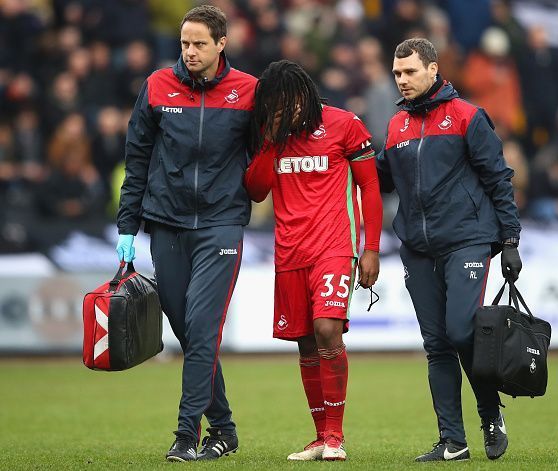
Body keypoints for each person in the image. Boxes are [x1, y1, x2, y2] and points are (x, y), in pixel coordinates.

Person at [115, 5, 257, 462]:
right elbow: (136, 159)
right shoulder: (157, 86)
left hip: (222, 223)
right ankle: (225, 429)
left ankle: (184, 435)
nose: (190, 52)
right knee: (186, 330)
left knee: (200, 327)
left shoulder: (248, 91)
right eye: (184, 44)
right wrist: (127, 228)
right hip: (167, 222)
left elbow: (265, 159)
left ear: (221, 44)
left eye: (199, 44)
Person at [376, 38, 522, 462]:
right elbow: (383, 179)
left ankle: (490, 413)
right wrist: (350, 154)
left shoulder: (468, 117)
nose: (402, 80)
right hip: (418, 247)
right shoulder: (396, 125)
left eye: (410, 72)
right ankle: (452, 442)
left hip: (467, 240)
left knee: (461, 331)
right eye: (397, 73)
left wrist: (510, 241)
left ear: (434, 69)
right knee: (437, 344)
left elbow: (499, 178)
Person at [244, 60, 382, 461]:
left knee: (326, 330)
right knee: (305, 344)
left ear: (304, 94)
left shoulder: (344, 125)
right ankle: (320, 436)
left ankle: (336, 437)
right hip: (289, 252)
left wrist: (370, 247)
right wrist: (270, 142)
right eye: (276, 107)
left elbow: (370, 187)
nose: (284, 112)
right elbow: (255, 191)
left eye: (288, 104)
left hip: (334, 247)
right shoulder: (272, 137)